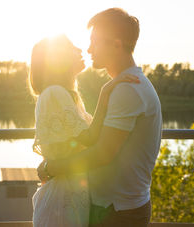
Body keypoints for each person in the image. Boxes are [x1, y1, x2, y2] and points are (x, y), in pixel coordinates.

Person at [37, 8, 162, 227]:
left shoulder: (128, 89)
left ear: (116, 44)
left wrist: (51, 168)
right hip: (112, 206)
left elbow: (102, 154)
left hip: (118, 211)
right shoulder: (124, 85)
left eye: (95, 42)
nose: (89, 48)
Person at [30, 34, 140, 227]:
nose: (81, 51)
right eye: (72, 48)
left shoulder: (65, 94)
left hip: (70, 196)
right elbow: (89, 138)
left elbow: (88, 137)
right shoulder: (54, 93)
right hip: (61, 201)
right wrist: (104, 95)